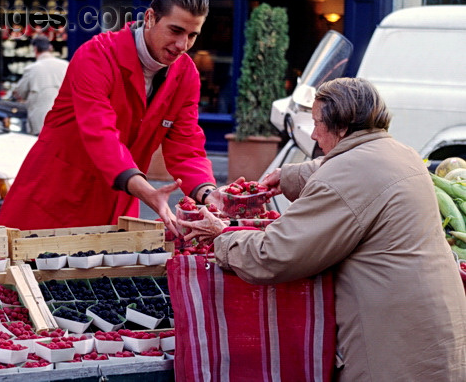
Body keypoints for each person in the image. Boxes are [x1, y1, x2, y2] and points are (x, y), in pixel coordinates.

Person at [184, 77, 466, 381]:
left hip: (394, 348)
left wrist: (222, 236)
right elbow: (354, 174)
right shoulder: (400, 153)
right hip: (437, 334)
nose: (315, 134)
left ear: (342, 127)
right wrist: (290, 177)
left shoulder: (347, 174)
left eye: (318, 123)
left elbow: (276, 255)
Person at [0, 0, 217, 235]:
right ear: (149, 18)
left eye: (192, 35)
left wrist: (208, 193)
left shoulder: (186, 74)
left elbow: (187, 145)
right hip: (54, 198)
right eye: (176, 31)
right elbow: (100, 133)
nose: (183, 45)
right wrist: (146, 191)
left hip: (119, 201)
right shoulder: (96, 55)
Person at [13, 35, 69, 135]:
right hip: (64, 120)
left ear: (35, 49)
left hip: (41, 122)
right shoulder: (66, 65)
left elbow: (20, 93)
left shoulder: (32, 69)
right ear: (50, 48)